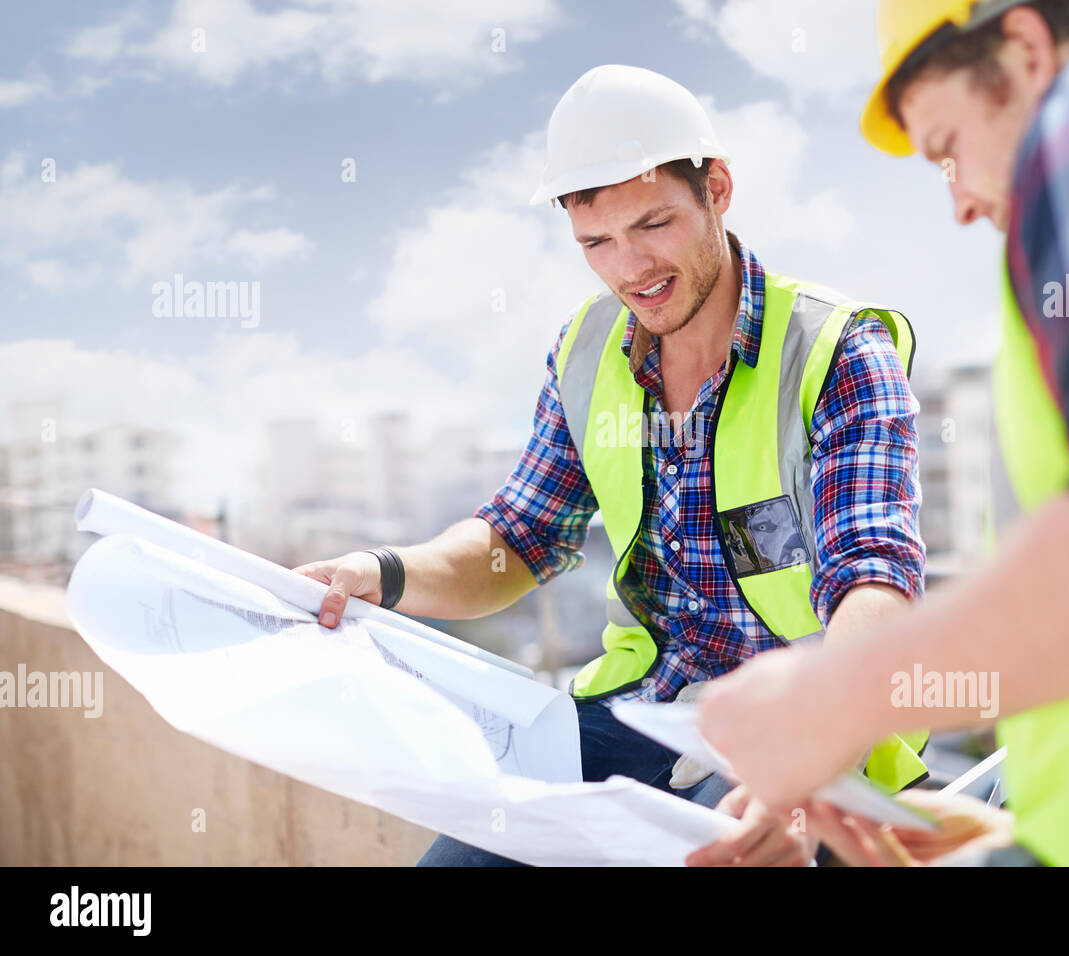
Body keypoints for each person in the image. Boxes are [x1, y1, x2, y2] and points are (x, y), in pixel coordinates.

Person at [697, 0, 1069, 866]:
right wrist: (1002, 838)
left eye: (947, 148)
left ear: (1021, 49)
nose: (961, 205)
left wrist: (838, 698)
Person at [294, 64, 929, 866]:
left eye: (655, 224)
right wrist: (376, 573)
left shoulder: (837, 353)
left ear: (718, 190)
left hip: (802, 722)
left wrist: (810, 753)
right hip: (634, 719)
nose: (632, 268)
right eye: (597, 242)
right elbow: (520, 535)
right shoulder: (586, 350)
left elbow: (876, 580)